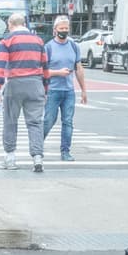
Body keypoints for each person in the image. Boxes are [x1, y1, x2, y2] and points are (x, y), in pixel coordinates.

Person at [0, 12, 49, 172]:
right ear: (24, 24)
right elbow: (45, 67)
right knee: (35, 123)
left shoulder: (7, 41)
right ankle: (37, 159)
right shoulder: (39, 41)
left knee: (10, 121)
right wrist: (45, 89)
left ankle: (10, 158)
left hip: (15, 85)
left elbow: (0, 68)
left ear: (10, 24)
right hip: (36, 84)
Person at [42, 15, 88, 161]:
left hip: (69, 91)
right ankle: (37, 146)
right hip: (53, 90)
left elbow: (79, 69)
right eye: (61, 28)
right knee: (49, 120)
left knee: (68, 121)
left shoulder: (74, 46)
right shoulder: (48, 47)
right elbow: (42, 71)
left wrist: (83, 90)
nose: (64, 31)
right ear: (55, 30)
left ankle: (65, 151)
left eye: (66, 28)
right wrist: (58, 72)